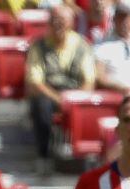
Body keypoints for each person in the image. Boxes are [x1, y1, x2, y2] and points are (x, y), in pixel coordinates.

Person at [26, 5, 96, 168]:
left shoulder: (82, 45)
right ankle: (44, 155)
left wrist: (76, 99)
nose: (58, 24)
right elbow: (35, 82)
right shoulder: (38, 46)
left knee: (91, 104)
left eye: (62, 21)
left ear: (71, 23)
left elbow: (89, 81)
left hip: (76, 92)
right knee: (41, 105)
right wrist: (58, 99)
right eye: (54, 20)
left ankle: (86, 155)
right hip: (49, 92)